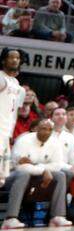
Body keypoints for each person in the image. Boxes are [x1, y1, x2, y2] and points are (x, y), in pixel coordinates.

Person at [5, 119, 72, 228]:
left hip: (38, 176)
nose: (46, 132)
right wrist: (43, 170)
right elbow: (21, 167)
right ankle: (10, 218)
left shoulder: (55, 142)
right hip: (14, 176)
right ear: (36, 129)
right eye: (43, 129)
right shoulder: (24, 140)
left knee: (60, 175)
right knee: (24, 174)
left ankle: (57, 216)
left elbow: (57, 165)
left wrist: (40, 167)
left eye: (50, 129)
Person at [1, 48, 26, 185]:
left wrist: (10, 132)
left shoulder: (18, 87)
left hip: (5, 133)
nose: (15, 60)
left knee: (2, 177)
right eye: (11, 57)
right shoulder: (1, 78)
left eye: (17, 58)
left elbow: (14, 112)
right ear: (4, 60)